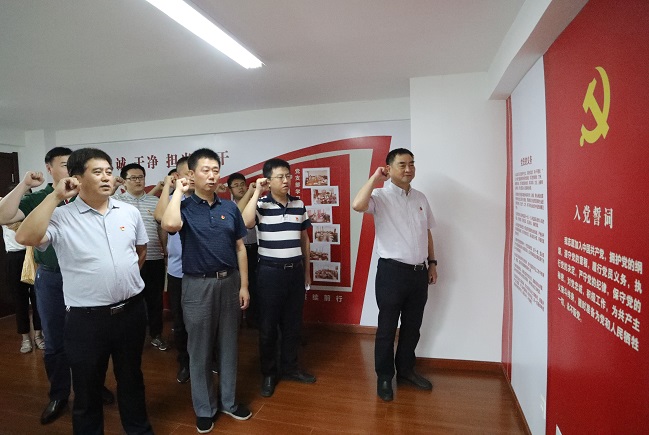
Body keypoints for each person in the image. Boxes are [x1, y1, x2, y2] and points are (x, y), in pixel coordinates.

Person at [15, 148, 153, 434]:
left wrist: (120, 279)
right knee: (87, 388)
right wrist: (55, 196)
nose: (106, 177)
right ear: (76, 178)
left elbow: (140, 251)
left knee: (132, 379)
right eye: (97, 172)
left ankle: (139, 430)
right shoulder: (61, 216)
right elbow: (25, 236)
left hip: (131, 312)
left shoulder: (129, 212)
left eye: (108, 171)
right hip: (87, 319)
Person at [0, 147, 114, 425]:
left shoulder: (88, 197)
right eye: (64, 164)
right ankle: (59, 394)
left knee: (92, 338)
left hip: (87, 276)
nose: (70, 169)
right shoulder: (40, 198)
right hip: (52, 278)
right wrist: (24, 184)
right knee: (54, 340)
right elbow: (3, 216)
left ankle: (92, 386)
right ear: (49, 169)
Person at [161, 148, 251, 434]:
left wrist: (244, 285)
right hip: (197, 285)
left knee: (229, 345)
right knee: (199, 349)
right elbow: (169, 224)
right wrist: (178, 191)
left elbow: (240, 248)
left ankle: (229, 401)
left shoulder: (229, 208)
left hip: (230, 282)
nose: (212, 176)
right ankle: (204, 408)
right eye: (205, 170)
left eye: (215, 170)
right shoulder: (184, 207)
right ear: (192, 174)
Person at [352, 148, 438, 402]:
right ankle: (384, 377)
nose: (409, 169)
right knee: (387, 328)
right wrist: (374, 178)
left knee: (412, 327)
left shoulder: (420, 197)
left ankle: (406, 371)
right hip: (392, 272)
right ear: (389, 169)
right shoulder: (379, 196)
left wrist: (432, 263)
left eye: (412, 163)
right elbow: (357, 205)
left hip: (419, 273)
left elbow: (427, 232)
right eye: (402, 164)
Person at [241, 158, 315, 398]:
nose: (286, 181)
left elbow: (304, 238)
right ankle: (269, 373)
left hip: (294, 272)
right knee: (268, 326)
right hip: (269, 273)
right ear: (268, 180)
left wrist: (306, 271)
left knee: (293, 324)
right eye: (280, 177)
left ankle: (290, 367)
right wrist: (256, 192)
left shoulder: (298, 204)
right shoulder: (261, 204)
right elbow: (246, 223)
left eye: (288, 176)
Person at [113, 163, 168, 351]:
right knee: (129, 301)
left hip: (154, 258)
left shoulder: (155, 201)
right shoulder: (116, 201)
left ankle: (156, 335)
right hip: (128, 262)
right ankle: (131, 336)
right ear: (124, 181)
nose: (138, 181)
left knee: (155, 300)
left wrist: (165, 251)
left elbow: (161, 229)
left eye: (141, 177)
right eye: (133, 178)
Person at [154, 156, 191, 383]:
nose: (192, 177)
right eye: (188, 172)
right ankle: (185, 362)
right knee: (180, 322)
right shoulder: (173, 199)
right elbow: (159, 217)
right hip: (178, 272)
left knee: (207, 323)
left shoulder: (207, 200)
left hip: (203, 274)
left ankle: (210, 359)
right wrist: (169, 186)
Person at [2, 185, 44, 353]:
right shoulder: (6, 211)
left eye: (26, 197)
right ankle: (25, 338)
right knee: (20, 301)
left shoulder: (33, 211)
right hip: (15, 258)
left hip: (33, 255)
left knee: (38, 299)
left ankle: (39, 335)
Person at [227, 172, 259, 328]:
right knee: (235, 285)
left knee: (254, 284)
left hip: (254, 249)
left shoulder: (255, 203)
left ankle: (253, 319)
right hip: (236, 251)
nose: (240, 188)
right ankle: (236, 320)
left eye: (242, 184)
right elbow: (237, 215)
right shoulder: (228, 206)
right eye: (236, 185)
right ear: (230, 190)